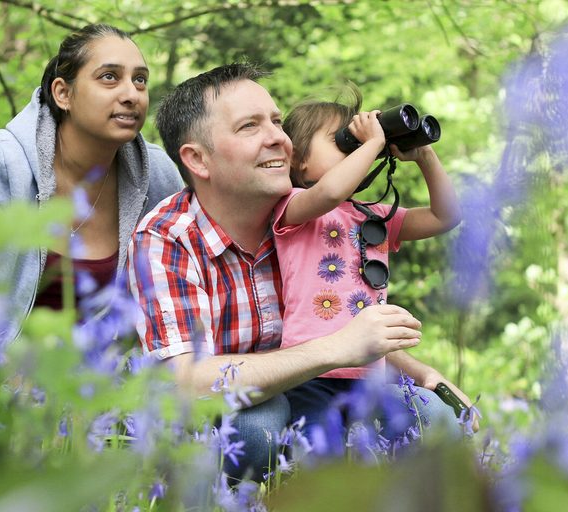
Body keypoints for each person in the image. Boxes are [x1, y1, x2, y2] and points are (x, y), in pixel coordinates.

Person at [128, 63, 470, 482]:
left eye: (277, 122)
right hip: (256, 403)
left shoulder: (341, 220)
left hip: (349, 381)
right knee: (258, 429)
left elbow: (347, 324)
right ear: (198, 159)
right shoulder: (170, 238)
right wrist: (334, 349)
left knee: (432, 416)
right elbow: (184, 381)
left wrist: (420, 373)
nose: (278, 137)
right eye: (250, 126)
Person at [0, 23, 183, 341]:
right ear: (63, 93)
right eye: (109, 77)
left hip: (111, 371)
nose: (131, 95)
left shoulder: (157, 175)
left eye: (139, 80)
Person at [276, 86, 469, 439]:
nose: (356, 146)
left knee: (379, 451)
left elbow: (446, 216)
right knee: (319, 451)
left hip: (370, 375)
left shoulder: (374, 216)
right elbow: (330, 192)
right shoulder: (293, 206)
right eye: (342, 140)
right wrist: (372, 142)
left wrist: (423, 154)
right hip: (309, 372)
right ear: (298, 157)